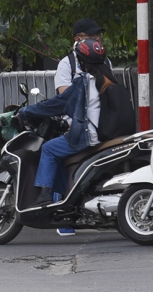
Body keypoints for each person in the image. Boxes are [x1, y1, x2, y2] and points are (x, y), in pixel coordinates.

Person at [20, 39, 115, 207]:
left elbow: (58, 104)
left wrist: (26, 111)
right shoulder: (110, 80)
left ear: (81, 61)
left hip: (88, 137)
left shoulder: (84, 83)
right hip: (109, 136)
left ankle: (44, 195)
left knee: (48, 149)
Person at [55, 18, 109, 94]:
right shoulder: (67, 63)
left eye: (98, 34)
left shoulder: (106, 61)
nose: (97, 38)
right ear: (77, 38)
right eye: (91, 35)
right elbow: (65, 96)